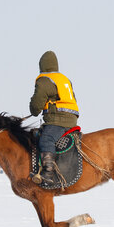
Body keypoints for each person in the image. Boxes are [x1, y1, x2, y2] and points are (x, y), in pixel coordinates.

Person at [29, 51, 79, 183]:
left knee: (46, 139)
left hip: (58, 120)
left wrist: (34, 108)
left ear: (42, 65)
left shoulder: (44, 80)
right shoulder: (64, 79)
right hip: (71, 118)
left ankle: (48, 173)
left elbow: (35, 107)